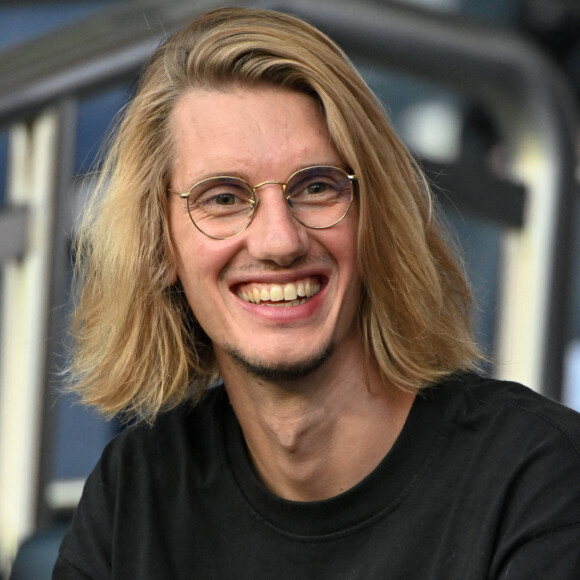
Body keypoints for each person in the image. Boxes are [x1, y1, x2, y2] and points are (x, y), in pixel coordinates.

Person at [53, 6, 580, 579]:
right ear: (160, 248)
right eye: (223, 198)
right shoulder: (136, 490)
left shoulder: (539, 478)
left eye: (317, 187)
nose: (279, 240)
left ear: (375, 217)